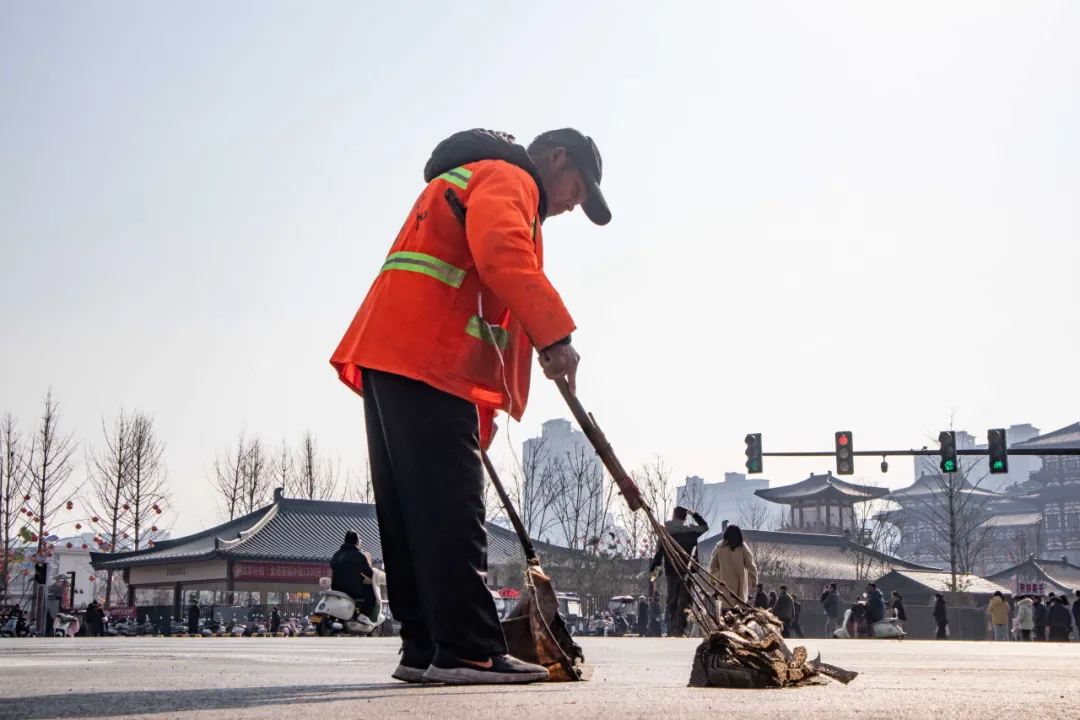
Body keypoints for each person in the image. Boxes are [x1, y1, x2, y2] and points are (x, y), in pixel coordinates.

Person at [329, 127, 609, 685]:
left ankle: (424, 647)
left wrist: (482, 414)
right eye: (578, 190)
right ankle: (468, 649)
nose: (572, 205)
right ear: (557, 158)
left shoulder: (472, 177)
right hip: (429, 358)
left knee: (413, 512)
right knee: (453, 510)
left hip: (395, 352)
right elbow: (503, 256)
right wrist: (555, 337)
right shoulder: (510, 177)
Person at [650, 506, 709, 638]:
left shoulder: (665, 532)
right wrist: (694, 514)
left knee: (672, 601)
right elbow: (705, 527)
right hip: (686, 571)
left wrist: (655, 570)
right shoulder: (691, 531)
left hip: (671, 571)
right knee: (684, 601)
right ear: (685, 518)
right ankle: (679, 630)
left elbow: (659, 554)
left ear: (673, 516)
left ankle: (671, 629)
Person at [330, 530, 378, 621]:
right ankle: (364, 615)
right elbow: (368, 572)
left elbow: (332, 565)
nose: (360, 542)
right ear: (357, 541)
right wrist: (375, 576)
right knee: (371, 591)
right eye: (360, 540)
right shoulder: (358, 555)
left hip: (336, 587)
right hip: (353, 589)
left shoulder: (337, 554)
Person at [708, 524, 758, 609]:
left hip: (723, 585)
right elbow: (750, 564)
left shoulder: (719, 547)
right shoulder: (742, 547)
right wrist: (754, 580)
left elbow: (713, 566)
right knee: (738, 609)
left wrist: (712, 580)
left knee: (723, 607)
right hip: (738, 587)